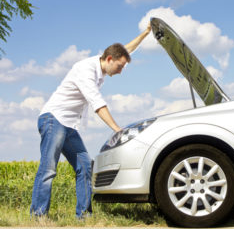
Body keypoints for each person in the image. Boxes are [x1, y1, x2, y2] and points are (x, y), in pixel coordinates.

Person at [30, 23, 152, 218]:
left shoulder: (104, 65)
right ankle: (38, 216)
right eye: (120, 66)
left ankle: (84, 215)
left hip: (68, 125)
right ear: (109, 59)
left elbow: (127, 49)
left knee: (85, 166)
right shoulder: (85, 70)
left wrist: (146, 33)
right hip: (53, 119)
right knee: (48, 169)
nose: (121, 71)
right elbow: (97, 103)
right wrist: (116, 129)